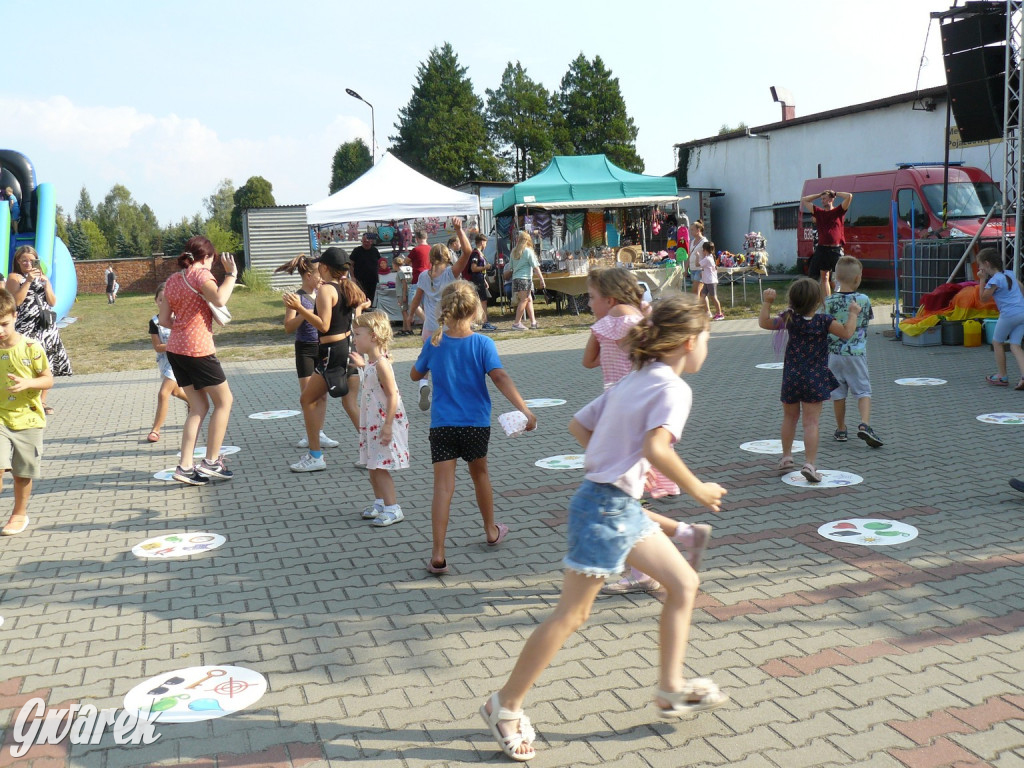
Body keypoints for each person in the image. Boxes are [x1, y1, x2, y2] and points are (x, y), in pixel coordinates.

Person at [479, 294, 729, 761]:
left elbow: (578, 426)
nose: (707, 349)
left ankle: (671, 688)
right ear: (690, 342)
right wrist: (698, 489)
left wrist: (611, 457)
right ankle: (505, 705)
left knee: (683, 583)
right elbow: (658, 449)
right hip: (606, 511)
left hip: (616, 506)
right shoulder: (673, 389)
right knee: (571, 615)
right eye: (708, 339)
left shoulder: (634, 378)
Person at [582, 268, 711, 596]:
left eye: (592, 297)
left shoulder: (603, 328)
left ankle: (650, 563)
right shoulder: (642, 324)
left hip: (619, 408)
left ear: (609, 298)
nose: (590, 302)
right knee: (627, 501)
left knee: (625, 502)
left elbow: (587, 361)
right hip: (640, 410)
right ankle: (681, 537)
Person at [411, 280, 536, 575]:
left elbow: (416, 374)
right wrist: (524, 409)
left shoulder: (435, 342)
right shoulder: (483, 344)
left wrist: (427, 358)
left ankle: (438, 554)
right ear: (476, 309)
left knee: (442, 488)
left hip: (442, 424)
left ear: (444, 308)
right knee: (480, 475)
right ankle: (491, 531)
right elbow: (501, 378)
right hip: (475, 424)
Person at [759, 279, 860, 483]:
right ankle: (810, 464)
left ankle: (787, 457)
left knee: (790, 418)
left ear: (792, 300)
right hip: (815, 378)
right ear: (818, 301)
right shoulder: (824, 321)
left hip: (792, 377)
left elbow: (764, 323)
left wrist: (767, 303)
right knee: (811, 422)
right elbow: (847, 333)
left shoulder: (789, 319)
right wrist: (853, 314)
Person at [158, 236, 238, 486]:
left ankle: (185, 466)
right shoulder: (201, 275)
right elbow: (220, 299)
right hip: (198, 350)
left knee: (198, 408)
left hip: (176, 350)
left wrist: (182, 327)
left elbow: (163, 320)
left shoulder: (173, 280)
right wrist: (231, 275)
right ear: (208, 257)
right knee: (224, 402)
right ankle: (212, 461)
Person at [283, 247, 369, 472]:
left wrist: (299, 307)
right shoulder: (349, 286)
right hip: (350, 349)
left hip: (333, 352)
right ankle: (373, 451)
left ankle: (315, 456)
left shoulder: (327, 290)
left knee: (307, 400)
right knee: (350, 403)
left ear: (324, 268)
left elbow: (323, 325)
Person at [406, 219, 475, 410]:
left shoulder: (422, 276)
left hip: (429, 328)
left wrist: (409, 317)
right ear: (447, 257)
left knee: (426, 359)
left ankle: (424, 385)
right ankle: (451, 396)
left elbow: (416, 299)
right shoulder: (450, 274)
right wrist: (459, 230)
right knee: (452, 363)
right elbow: (468, 252)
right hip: (449, 328)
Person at [0, 288, 53, 537]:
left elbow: (47, 379)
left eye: (4, 324)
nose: (0, 331)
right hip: (0, 415)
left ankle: (19, 513)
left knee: (23, 472)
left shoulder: (31, 347)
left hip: (28, 417)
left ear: (15, 315)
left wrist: (28, 383)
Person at [349, 311, 410, 527]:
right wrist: (362, 367)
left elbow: (393, 394)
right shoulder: (373, 363)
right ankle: (381, 502)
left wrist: (388, 426)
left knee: (380, 466)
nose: (354, 338)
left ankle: (394, 508)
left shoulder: (383, 364)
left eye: (357, 334)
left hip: (384, 422)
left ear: (373, 336)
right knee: (372, 464)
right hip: (373, 422)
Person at [275, 254, 339, 449]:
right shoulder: (297, 297)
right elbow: (288, 327)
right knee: (308, 396)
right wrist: (303, 312)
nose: (321, 278)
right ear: (309, 275)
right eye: (319, 274)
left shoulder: (323, 294)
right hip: (305, 348)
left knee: (323, 395)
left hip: (322, 347)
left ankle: (319, 432)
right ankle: (309, 434)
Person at [5, 246, 72, 415]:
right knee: (28, 363)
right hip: (27, 325)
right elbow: (16, 302)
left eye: (31, 260)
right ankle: (27, 400)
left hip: (46, 327)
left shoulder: (42, 277)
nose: (28, 263)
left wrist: (47, 284)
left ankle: (41, 402)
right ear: (18, 262)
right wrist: (27, 281)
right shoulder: (15, 277)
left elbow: (52, 301)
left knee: (45, 363)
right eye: (24, 261)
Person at [825, 256, 882, 447]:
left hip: (833, 355)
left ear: (836, 279)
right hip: (856, 354)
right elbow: (866, 321)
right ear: (858, 278)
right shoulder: (863, 300)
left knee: (838, 393)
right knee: (863, 391)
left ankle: (841, 429)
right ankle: (865, 425)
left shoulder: (829, 301)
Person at [146, 283, 188, 443]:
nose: (164, 303)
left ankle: (155, 430)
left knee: (163, 393)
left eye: (168, 300)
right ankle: (195, 404)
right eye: (161, 300)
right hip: (165, 361)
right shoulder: (154, 322)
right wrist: (174, 344)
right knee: (175, 392)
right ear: (156, 301)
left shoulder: (180, 318)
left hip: (180, 361)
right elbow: (158, 347)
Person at [977, 247, 1024, 389]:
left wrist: (982, 280)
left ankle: (1002, 376)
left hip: (1009, 314)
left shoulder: (995, 279)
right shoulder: (1009, 274)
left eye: (980, 265)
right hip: (1022, 312)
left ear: (986, 264)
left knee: (997, 342)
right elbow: (1022, 288)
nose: (979, 268)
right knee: (1015, 345)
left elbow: (983, 298)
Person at [800, 189, 853, 299]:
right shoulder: (818, 212)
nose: (822, 201)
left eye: (824, 199)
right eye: (821, 199)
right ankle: (827, 301)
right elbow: (804, 200)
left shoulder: (839, 211)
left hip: (836, 249)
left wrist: (836, 193)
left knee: (840, 277)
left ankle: (842, 299)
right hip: (822, 249)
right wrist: (820, 194)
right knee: (824, 277)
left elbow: (849, 196)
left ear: (831, 199)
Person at [506, 231, 546, 331]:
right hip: (525, 279)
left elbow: (510, 267)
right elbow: (535, 267)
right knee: (524, 300)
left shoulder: (513, 251)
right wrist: (542, 279)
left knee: (528, 300)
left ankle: (533, 322)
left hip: (516, 279)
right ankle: (516, 323)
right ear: (527, 240)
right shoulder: (528, 251)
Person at [464, 233, 496, 331]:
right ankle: (484, 322)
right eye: (485, 243)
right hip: (476, 279)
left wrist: (484, 280)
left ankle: (472, 322)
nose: (486, 245)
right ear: (482, 242)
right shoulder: (475, 253)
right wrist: (485, 267)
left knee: (478, 301)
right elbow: (473, 268)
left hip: (480, 279)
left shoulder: (479, 253)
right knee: (482, 301)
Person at [349, 231, 382, 306]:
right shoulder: (357, 251)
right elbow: (351, 265)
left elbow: (380, 263)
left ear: (371, 241)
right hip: (360, 280)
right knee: (361, 297)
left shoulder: (375, 250)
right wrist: (352, 277)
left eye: (368, 241)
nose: (366, 243)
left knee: (372, 298)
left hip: (373, 280)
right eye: (364, 241)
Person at [699, 241, 725, 321]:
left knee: (713, 297)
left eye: (703, 250)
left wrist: (697, 256)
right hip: (707, 281)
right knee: (702, 295)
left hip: (711, 281)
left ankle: (720, 313)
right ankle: (706, 311)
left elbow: (698, 264)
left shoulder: (707, 259)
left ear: (705, 250)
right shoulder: (709, 257)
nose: (702, 252)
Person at [688, 220, 707, 299]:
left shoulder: (704, 242)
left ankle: (696, 310)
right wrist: (686, 269)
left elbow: (707, 256)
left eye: (692, 229)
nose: (690, 232)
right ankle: (706, 310)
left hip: (700, 269)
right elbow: (689, 255)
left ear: (698, 230)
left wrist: (704, 270)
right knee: (701, 293)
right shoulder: (692, 242)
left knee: (695, 292)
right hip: (693, 269)